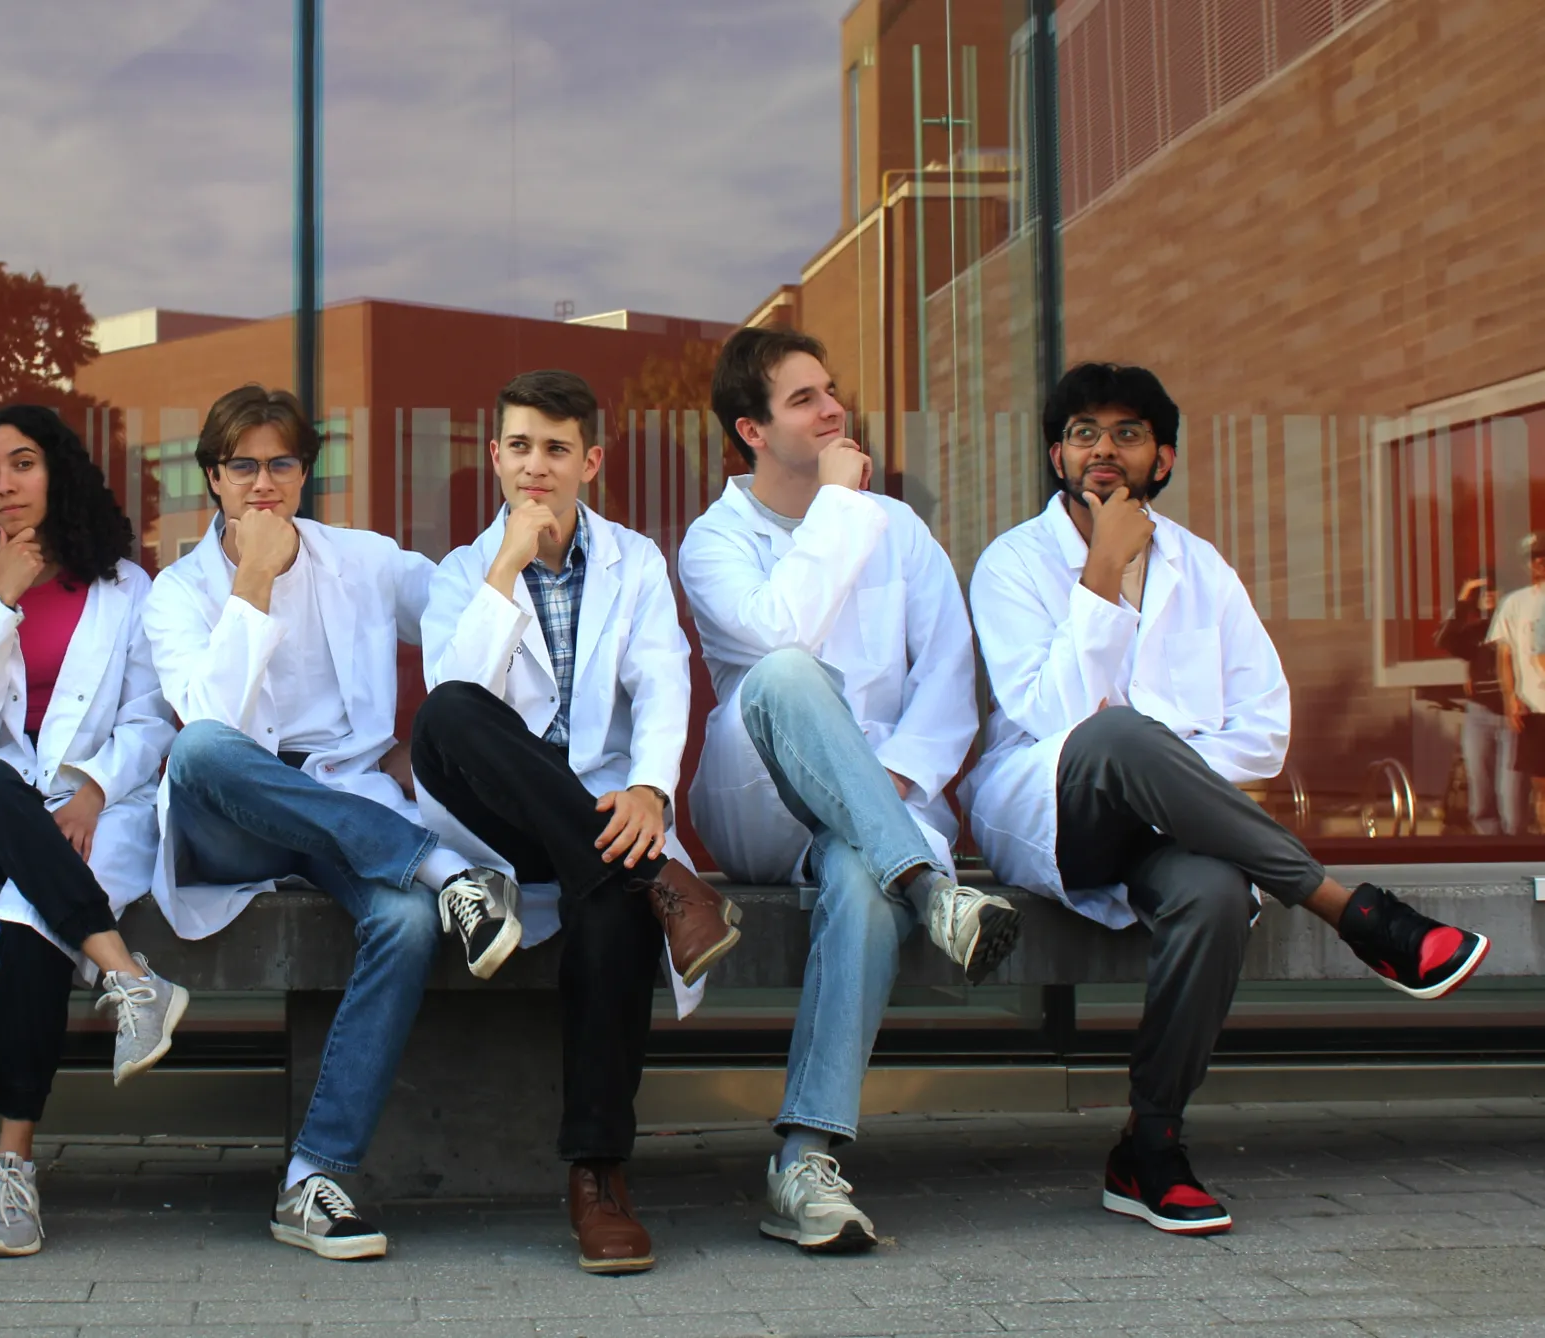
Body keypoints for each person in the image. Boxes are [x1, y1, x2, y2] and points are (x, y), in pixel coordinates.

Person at [965, 361, 1493, 1237]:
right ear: (1056, 454)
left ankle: (1150, 1146)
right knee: (1116, 736)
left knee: (1211, 895)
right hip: (1053, 812)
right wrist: (1100, 569)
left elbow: (1264, 728)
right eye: (1083, 432)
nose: (1103, 449)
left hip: (1173, 829)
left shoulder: (1200, 566)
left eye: (1126, 433)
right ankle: (1349, 910)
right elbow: (1053, 717)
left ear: (1160, 459)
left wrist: (1164, 768)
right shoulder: (1013, 563)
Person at [142, 384, 494, 1261]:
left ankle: (314, 1179)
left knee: (407, 925)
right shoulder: (175, 593)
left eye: (281, 463)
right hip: (235, 818)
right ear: (213, 480)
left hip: (344, 809)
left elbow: (461, 619)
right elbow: (211, 717)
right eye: (242, 466)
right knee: (201, 753)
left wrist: (518, 543)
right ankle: (441, 868)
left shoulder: (364, 559)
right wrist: (253, 577)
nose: (263, 482)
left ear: (305, 474)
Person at [409, 369, 739, 1274]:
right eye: (519, 446)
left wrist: (650, 793)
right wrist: (505, 564)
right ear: (495, 457)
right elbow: (459, 693)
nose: (535, 466)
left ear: (589, 460)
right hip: (497, 816)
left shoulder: (635, 560)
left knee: (607, 906)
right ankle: (663, 883)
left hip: (599, 813)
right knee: (445, 713)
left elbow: (664, 682)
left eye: (556, 449)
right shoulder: (459, 574)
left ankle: (598, 1180)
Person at [678, 326, 997, 1253]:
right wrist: (841, 506)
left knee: (861, 874)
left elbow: (948, 668)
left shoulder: (898, 528)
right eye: (804, 400)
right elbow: (786, 629)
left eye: (831, 391)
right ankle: (933, 890)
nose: (832, 410)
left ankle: (804, 1161)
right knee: (781, 671)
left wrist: (890, 778)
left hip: (878, 800)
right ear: (750, 428)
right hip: (756, 803)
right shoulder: (714, 541)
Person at [0, 404, 180, 1257]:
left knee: (29, 926)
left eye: (21, 464)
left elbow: (154, 716)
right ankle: (127, 976)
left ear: (57, 472)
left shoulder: (125, 587)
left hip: (96, 813)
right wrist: (3, 600)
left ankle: (10, 1169)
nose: (5, 485)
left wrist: (91, 788)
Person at [1438, 571, 1517, 834]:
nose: (1489, 594)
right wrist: (1463, 599)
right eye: (1482, 591)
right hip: (1479, 715)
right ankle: (1490, 851)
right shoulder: (1474, 633)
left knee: (1511, 794)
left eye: (1494, 589)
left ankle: (1517, 853)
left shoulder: (1516, 625)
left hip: (1512, 714)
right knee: (1481, 791)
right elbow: (1443, 640)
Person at [1487, 536, 1545, 832]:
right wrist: (1510, 697)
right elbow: (1505, 654)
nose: (1540, 560)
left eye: (1544, 554)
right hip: (1534, 707)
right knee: (1540, 785)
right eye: (1534, 556)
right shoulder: (1515, 603)